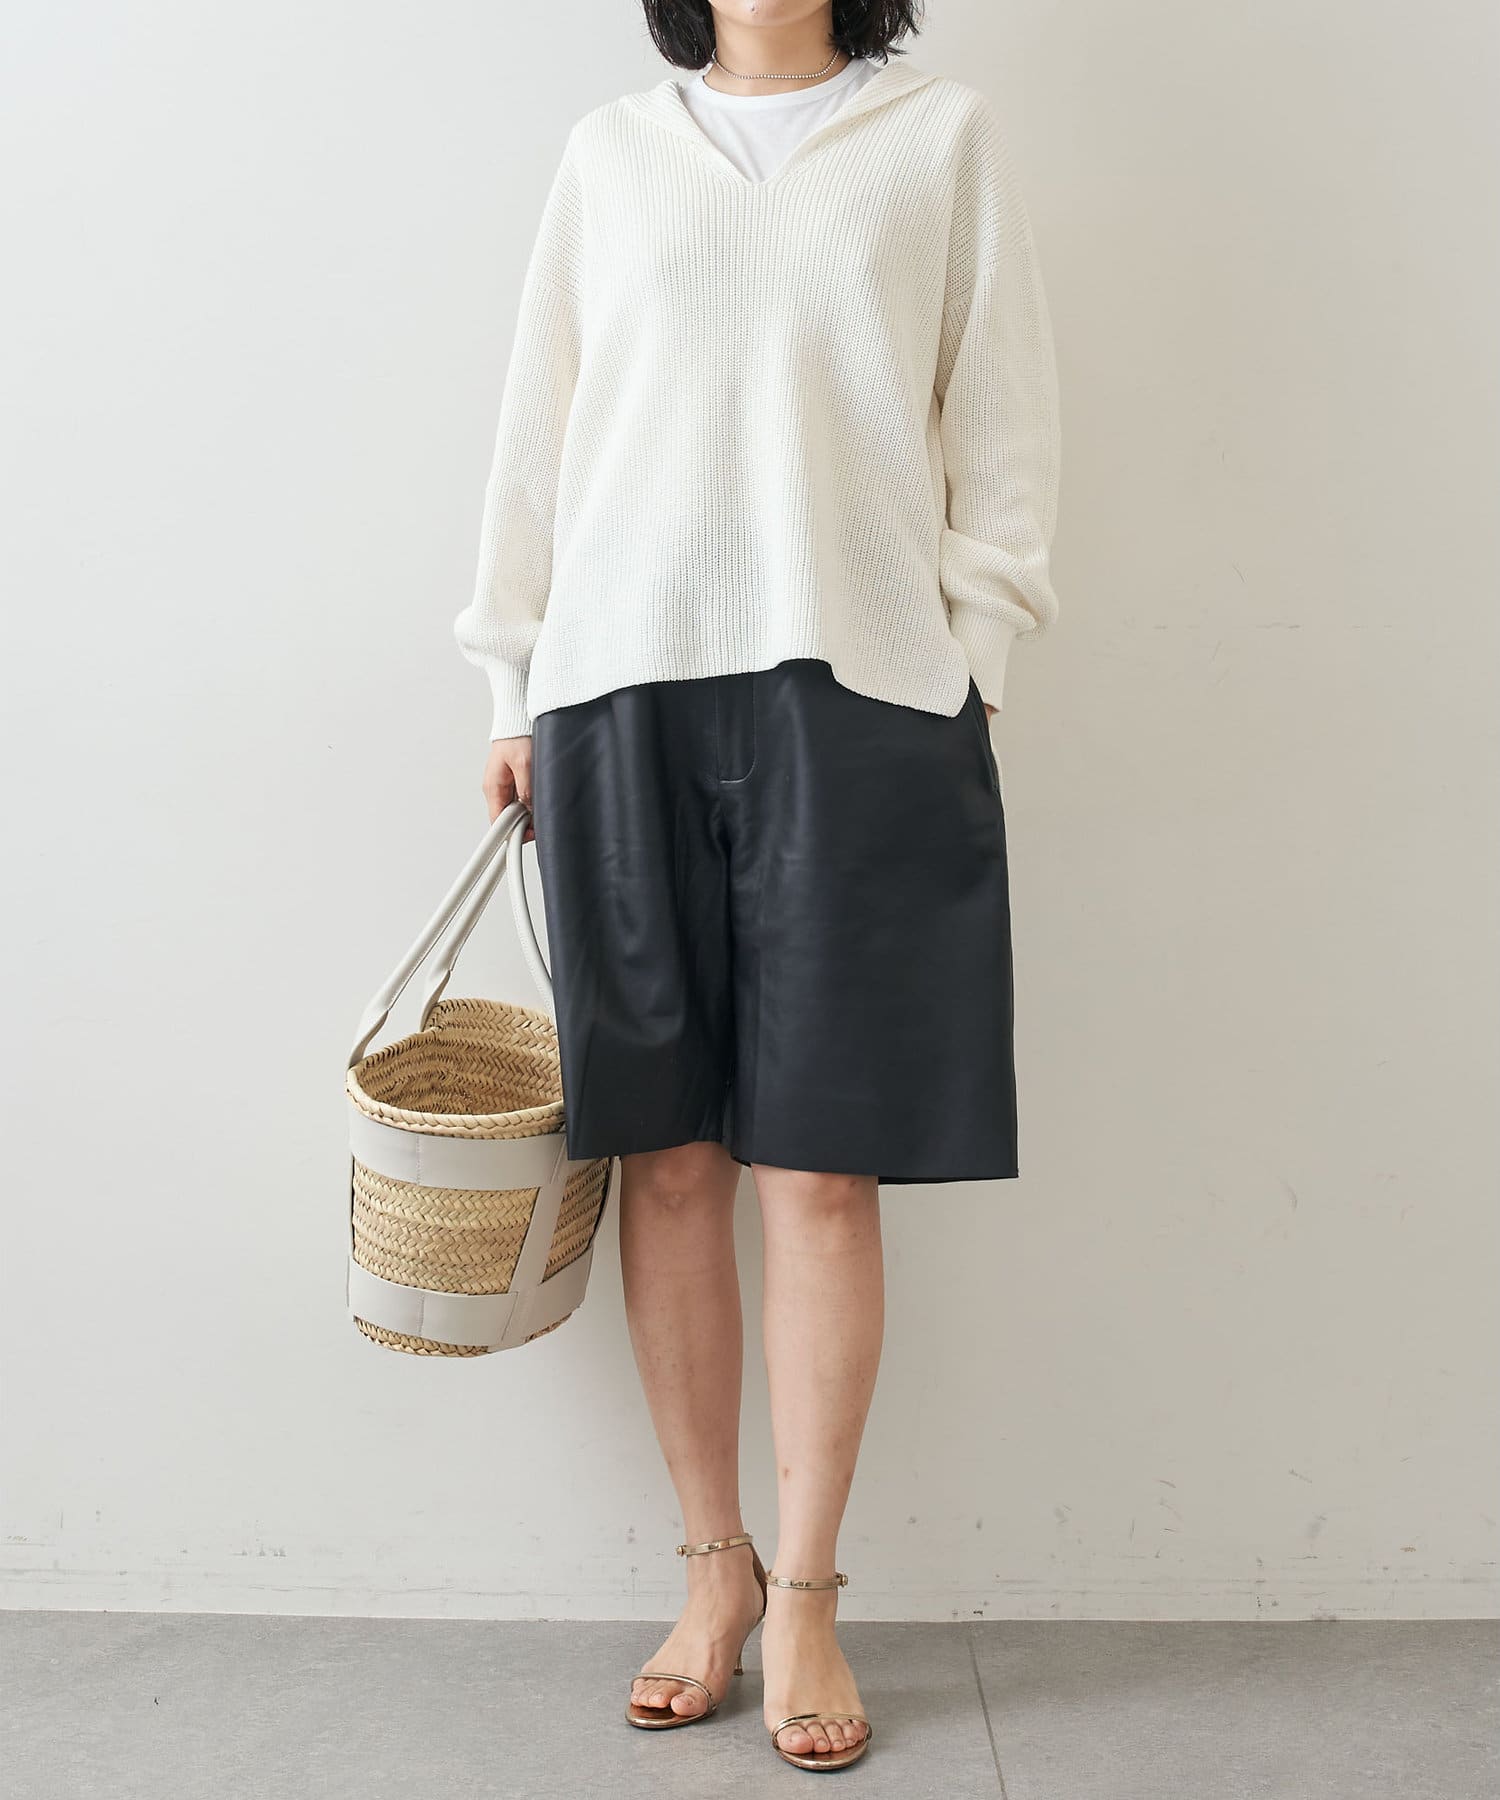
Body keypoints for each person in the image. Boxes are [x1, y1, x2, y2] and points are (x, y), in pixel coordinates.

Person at [452, 0, 1060, 1773]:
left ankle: (806, 1594)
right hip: (618, 690)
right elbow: (540, 426)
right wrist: (510, 687)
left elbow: (1003, 422)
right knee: (666, 1158)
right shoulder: (613, 154)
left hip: (859, 693)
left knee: (819, 1168)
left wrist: (973, 663)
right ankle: (709, 1570)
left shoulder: (938, 139)